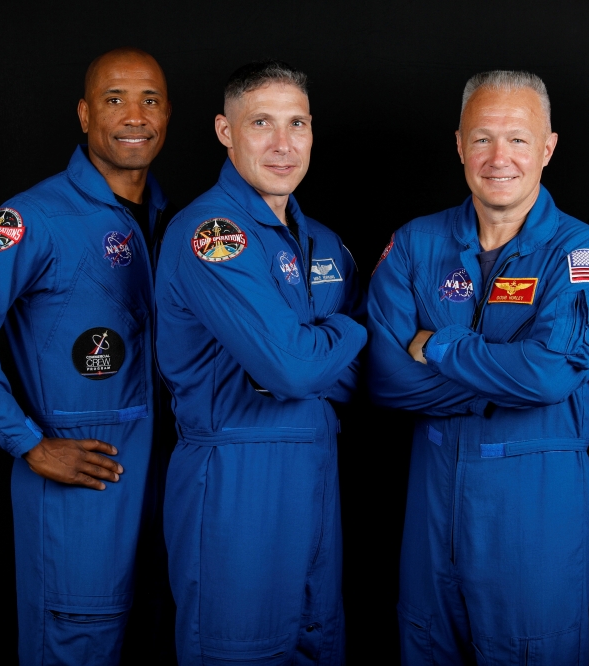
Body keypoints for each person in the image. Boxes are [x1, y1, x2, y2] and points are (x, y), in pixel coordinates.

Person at [0, 47, 173, 664]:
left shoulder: (173, 222)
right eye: (114, 99)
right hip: (81, 491)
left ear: (168, 115)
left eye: (150, 100)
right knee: (76, 643)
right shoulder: (34, 218)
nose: (134, 116)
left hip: (165, 488)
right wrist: (27, 441)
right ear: (84, 115)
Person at [368, 71, 589, 664]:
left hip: (534, 515)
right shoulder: (414, 244)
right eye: (482, 138)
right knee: (426, 645)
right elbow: (383, 376)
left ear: (548, 148)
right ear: (459, 145)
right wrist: (499, 388)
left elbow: (549, 374)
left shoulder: (582, 253)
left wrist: (441, 347)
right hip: (431, 512)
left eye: (518, 139)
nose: (499, 157)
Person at [155, 60, 366, 665]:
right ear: (225, 131)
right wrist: (350, 330)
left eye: (296, 123)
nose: (283, 144)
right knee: (238, 651)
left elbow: (355, 376)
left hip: (317, 469)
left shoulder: (325, 243)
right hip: (235, 480)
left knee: (316, 643)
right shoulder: (210, 234)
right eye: (261, 123)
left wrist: (307, 356)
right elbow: (296, 370)